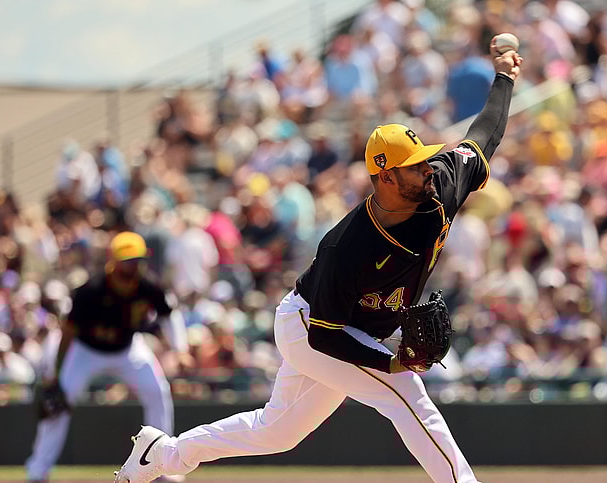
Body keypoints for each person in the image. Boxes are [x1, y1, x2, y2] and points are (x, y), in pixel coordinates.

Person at [113, 36, 523, 483]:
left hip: (350, 330)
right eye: (415, 166)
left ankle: (164, 454)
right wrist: (390, 364)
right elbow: (326, 337)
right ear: (384, 177)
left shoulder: (442, 184)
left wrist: (503, 76)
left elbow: (484, 134)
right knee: (405, 393)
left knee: (278, 431)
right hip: (312, 326)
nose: (428, 169)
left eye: (427, 161)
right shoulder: (347, 246)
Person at [27, 232, 191, 483]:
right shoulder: (90, 291)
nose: (133, 265)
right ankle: (38, 470)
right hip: (85, 351)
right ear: (113, 260)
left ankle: (163, 465)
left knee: (157, 392)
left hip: (127, 350)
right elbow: (68, 334)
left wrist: (180, 349)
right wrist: (56, 374)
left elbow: (169, 314)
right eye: (127, 260)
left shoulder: (148, 285)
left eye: (136, 259)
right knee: (59, 403)